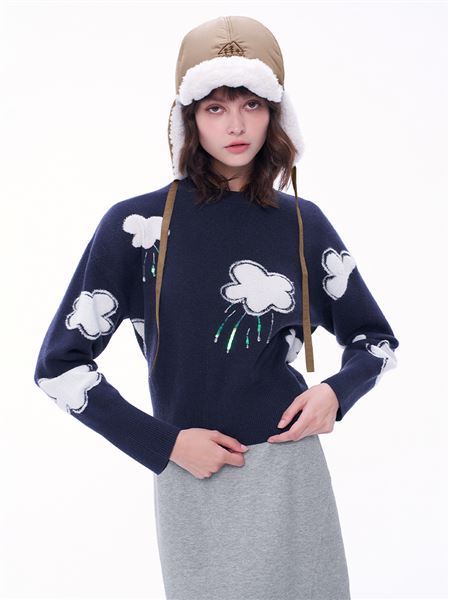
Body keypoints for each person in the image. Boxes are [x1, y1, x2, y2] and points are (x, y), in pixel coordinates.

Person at [34, 15, 399, 600]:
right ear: (189, 118)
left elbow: (375, 342)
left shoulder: (302, 223)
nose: (236, 125)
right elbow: (59, 368)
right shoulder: (136, 227)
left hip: (292, 474)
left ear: (275, 115)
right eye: (215, 107)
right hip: (192, 475)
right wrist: (164, 445)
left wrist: (336, 393)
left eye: (252, 105)